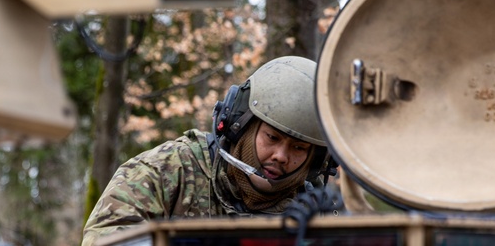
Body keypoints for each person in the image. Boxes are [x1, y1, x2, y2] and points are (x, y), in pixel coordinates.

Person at [82, 56, 332, 245]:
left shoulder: (316, 208)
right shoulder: (172, 169)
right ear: (239, 125)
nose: (281, 155)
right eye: (272, 137)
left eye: (299, 147)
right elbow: (106, 235)